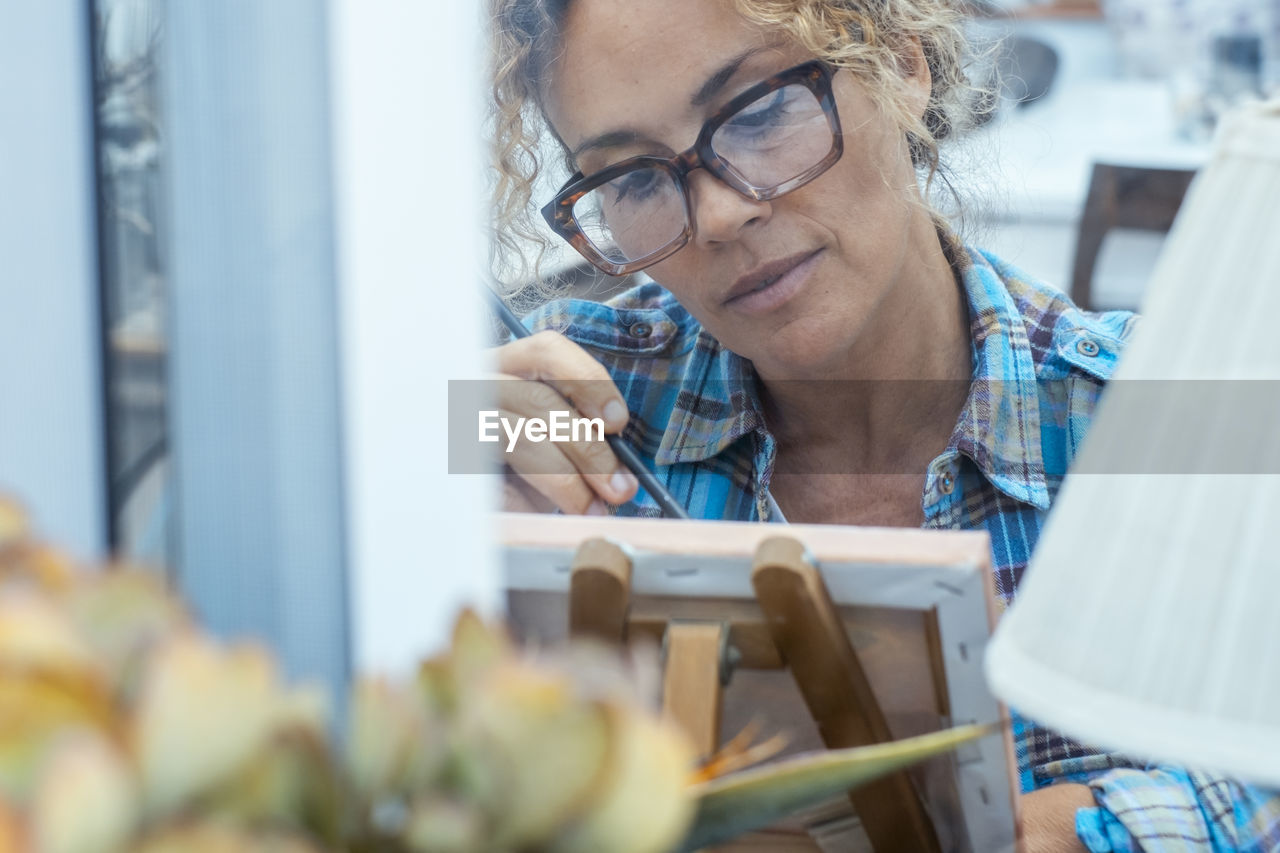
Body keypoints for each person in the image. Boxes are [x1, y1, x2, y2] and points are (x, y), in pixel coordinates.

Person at [486, 0, 1280, 849]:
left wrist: (1072, 830)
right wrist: (416, 475)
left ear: (903, 64)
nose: (718, 215)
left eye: (758, 112)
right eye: (635, 179)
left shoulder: (1155, 424)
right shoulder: (566, 418)